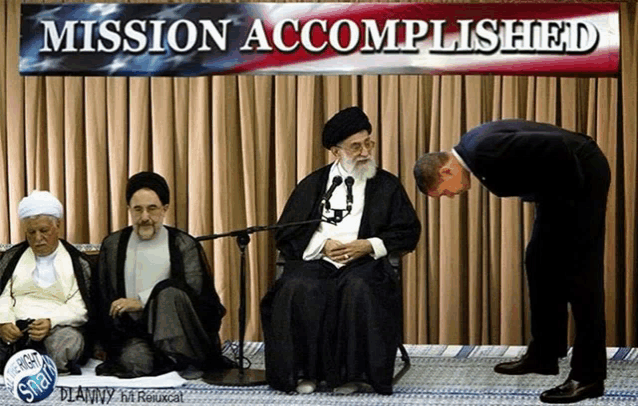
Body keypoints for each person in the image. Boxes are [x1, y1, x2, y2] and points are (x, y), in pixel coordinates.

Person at [413, 119, 609, 404]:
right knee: (538, 261)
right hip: (562, 189)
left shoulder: (483, 150)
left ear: (446, 170)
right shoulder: (475, 151)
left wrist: (572, 210)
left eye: (444, 191)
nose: (451, 196)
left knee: (581, 279)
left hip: (582, 178)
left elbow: (559, 146)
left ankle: (588, 377)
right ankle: (544, 354)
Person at [261, 106, 421, 395]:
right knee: (297, 287)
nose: (365, 152)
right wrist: (322, 244)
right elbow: (287, 230)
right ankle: (306, 373)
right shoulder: (312, 184)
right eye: (355, 146)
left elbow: (408, 230)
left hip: (365, 263)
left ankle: (355, 376)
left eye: (368, 143)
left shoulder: (386, 184)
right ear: (336, 151)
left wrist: (369, 245)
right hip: (319, 260)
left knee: (358, 287)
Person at [93, 172, 232, 379]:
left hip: (181, 335)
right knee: (134, 363)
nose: (145, 217)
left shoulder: (183, 244)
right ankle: (164, 362)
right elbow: (102, 295)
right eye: (137, 209)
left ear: (165, 209)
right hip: (135, 332)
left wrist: (143, 301)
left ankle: (181, 358)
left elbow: (195, 297)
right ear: (128, 210)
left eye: (152, 208)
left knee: (168, 291)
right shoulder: (113, 245)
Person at [0, 191, 93, 374]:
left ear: (57, 226)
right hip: (16, 328)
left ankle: (21, 363)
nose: (37, 238)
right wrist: (4, 322)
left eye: (44, 231)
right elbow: (2, 295)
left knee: (65, 343)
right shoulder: (12, 258)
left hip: (57, 329)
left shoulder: (79, 263)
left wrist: (51, 321)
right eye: (31, 232)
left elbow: (80, 308)